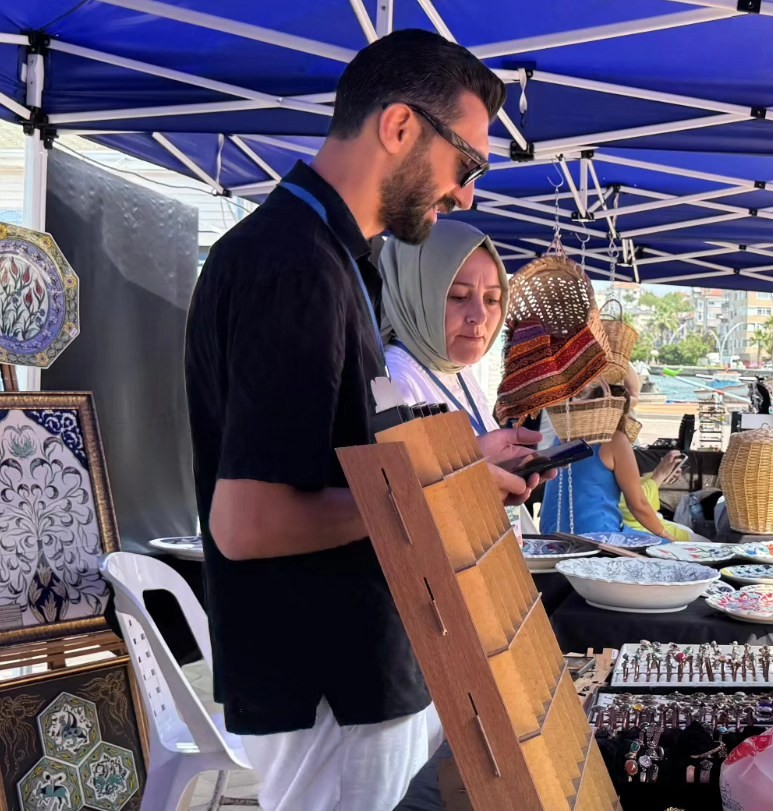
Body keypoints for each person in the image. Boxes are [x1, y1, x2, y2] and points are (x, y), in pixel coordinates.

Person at [185, 31, 534, 811]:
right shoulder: (294, 266)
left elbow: (338, 460)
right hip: (327, 683)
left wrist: (457, 465)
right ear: (401, 127)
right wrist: (442, 491)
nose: (467, 194)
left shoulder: (330, 257)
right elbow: (248, 521)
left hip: (352, 672)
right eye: (468, 163)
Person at [380, 219, 552, 486]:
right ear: (414, 296)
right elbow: (397, 502)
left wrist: (498, 470)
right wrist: (470, 469)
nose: (480, 316)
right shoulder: (390, 383)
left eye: (492, 299)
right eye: (459, 296)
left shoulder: (456, 371)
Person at [539, 385, 679, 540]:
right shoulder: (615, 440)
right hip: (598, 536)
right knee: (670, 550)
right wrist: (665, 535)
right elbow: (638, 505)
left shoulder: (561, 438)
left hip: (550, 533)